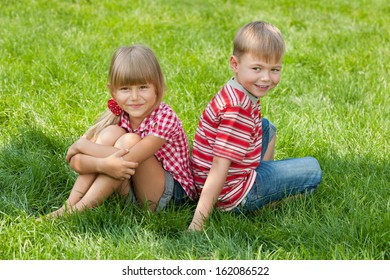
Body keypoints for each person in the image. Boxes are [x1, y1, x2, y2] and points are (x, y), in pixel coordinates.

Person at [188, 21, 322, 231]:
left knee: (267, 127)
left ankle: (262, 180)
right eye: (257, 68)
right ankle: (255, 203)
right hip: (231, 194)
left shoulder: (238, 88)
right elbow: (219, 165)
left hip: (220, 178)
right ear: (235, 63)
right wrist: (197, 224)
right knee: (312, 170)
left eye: (274, 69)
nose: (266, 78)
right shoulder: (237, 110)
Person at [43, 44, 196, 218]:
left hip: (169, 197)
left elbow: (125, 160)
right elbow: (76, 162)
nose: (134, 97)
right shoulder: (118, 115)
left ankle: (77, 212)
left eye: (143, 87)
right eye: (125, 89)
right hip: (132, 185)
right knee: (111, 134)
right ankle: (68, 206)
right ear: (113, 91)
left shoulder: (165, 118)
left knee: (128, 142)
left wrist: (82, 146)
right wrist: (102, 164)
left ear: (157, 87)